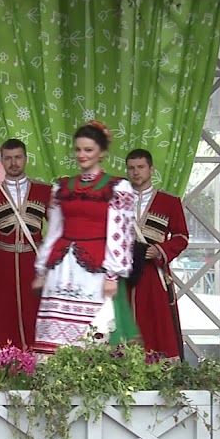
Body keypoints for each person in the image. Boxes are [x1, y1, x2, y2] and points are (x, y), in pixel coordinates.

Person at [32, 121, 140, 353]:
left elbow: (120, 233)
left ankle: (92, 379)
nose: (82, 155)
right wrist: (42, 269)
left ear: (102, 152)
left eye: (88, 150)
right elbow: (54, 230)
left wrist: (112, 275)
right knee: (55, 330)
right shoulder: (62, 187)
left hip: (96, 268)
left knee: (96, 326)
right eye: (78, 149)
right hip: (62, 267)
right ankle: (55, 382)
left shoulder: (117, 187)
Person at [0, 139, 51, 350]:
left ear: (26, 159)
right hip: (0, 266)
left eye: (18, 157)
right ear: (2, 161)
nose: (14, 163)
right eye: (8, 158)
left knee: (35, 314)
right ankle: (1, 367)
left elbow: (58, 231)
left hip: (34, 265)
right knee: (0, 317)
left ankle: (37, 366)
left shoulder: (44, 191)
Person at [125, 149, 190, 360]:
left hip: (154, 274)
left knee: (157, 322)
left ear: (151, 169)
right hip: (124, 275)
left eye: (141, 167)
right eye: (132, 168)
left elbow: (181, 237)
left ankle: (159, 372)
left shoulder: (169, 202)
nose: (136, 172)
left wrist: (159, 250)